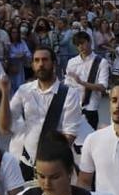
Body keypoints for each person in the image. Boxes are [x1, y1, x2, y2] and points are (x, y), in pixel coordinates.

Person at [5, 45, 89, 177]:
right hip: (26, 161)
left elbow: (70, 134)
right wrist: (4, 94)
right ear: (32, 65)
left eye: (45, 60)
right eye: (37, 60)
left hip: (53, 164)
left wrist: (49, 161)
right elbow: (7, 120)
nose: (41, 64)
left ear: (54, 63)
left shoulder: (69, 94)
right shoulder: (23, 90)